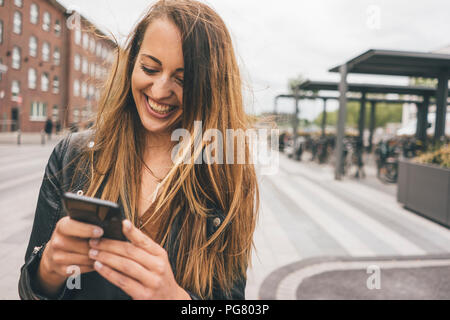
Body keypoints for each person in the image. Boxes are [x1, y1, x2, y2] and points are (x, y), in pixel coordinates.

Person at [19, 0, 259, 300]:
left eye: (182, 80)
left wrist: (173, 297)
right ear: (132, 62)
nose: (159, 91)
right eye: (149, 68)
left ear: (211, 87)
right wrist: (49, 268)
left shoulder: (226, 173)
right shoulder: (73, 156)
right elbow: (29, 290)